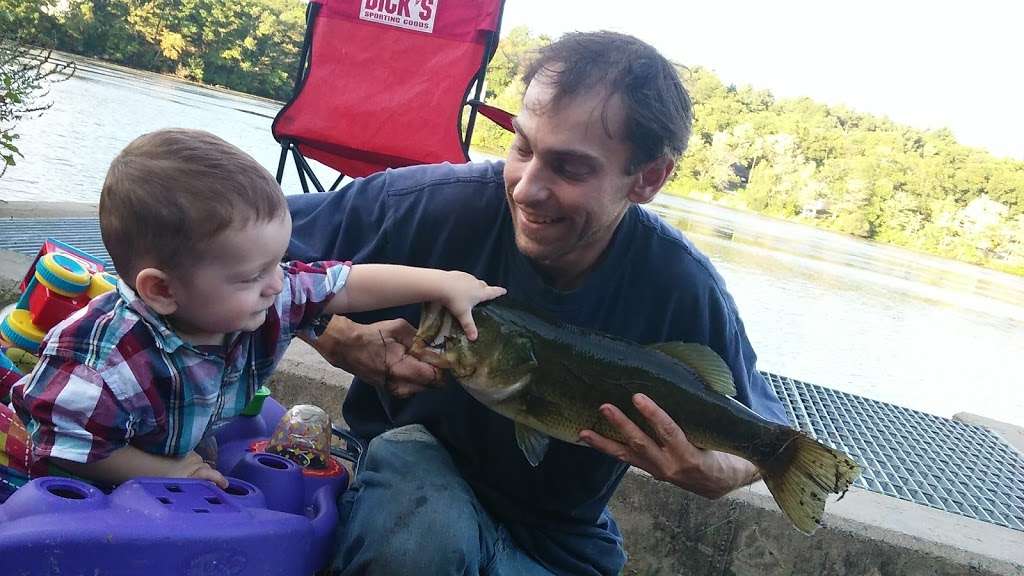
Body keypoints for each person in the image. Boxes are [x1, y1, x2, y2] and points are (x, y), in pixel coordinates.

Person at [286, 32, 789, 575]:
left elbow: (766, 433)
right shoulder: (428, 206)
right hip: (411, 475)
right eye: (522, 146)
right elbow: (224, 243)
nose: (526, 187)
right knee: (419, 547)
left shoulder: (682, 285)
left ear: (649, 178)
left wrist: (714, 472)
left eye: (569, 168)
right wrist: (333, 334)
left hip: (562, 536)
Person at [7, 129, 504, 491]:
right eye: (252, 275)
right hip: (87, 492)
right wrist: (170, 472)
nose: (277, 283)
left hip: (178, 442)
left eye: (279, 262)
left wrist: (441, 282)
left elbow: (343, 283)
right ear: (161, 291)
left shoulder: (258, 295)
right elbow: (68, 448)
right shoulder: (105, 364)